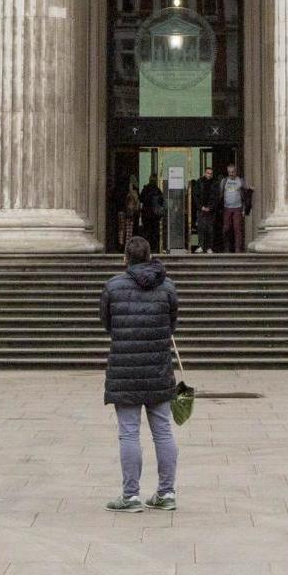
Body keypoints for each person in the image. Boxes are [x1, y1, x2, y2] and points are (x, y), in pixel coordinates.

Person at [100, 234, 180, 511]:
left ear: (126, 259)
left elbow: (107, 324)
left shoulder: (113, 286)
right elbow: (172, 324)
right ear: (149, 257)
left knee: (129, 434)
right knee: (163, 432)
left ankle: (131, 495)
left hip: (125, 368)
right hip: (158, 367)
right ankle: (167, 493)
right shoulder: (167, 286)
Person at [219, 160, 246, 254]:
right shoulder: (224, 181)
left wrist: (244, 208)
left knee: (237, 228)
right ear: (227, 172)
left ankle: (237, 249)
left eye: (233, 172)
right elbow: (220, 194)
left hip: (237, 208)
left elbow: (245, 194)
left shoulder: (240, 181)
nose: (231, 174)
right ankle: (226, 248)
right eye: (229, 172)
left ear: (236, 171)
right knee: (226, 228)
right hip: (227, 208)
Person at [140, 176, 165, 251]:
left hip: (146, 215)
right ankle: (155, 248)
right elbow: (162, 201)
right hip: (154, 216)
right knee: (154, 233)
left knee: (147, 233)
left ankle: (146, 249)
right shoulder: (157, 190)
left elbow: (141, 199)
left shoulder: (146, 189)